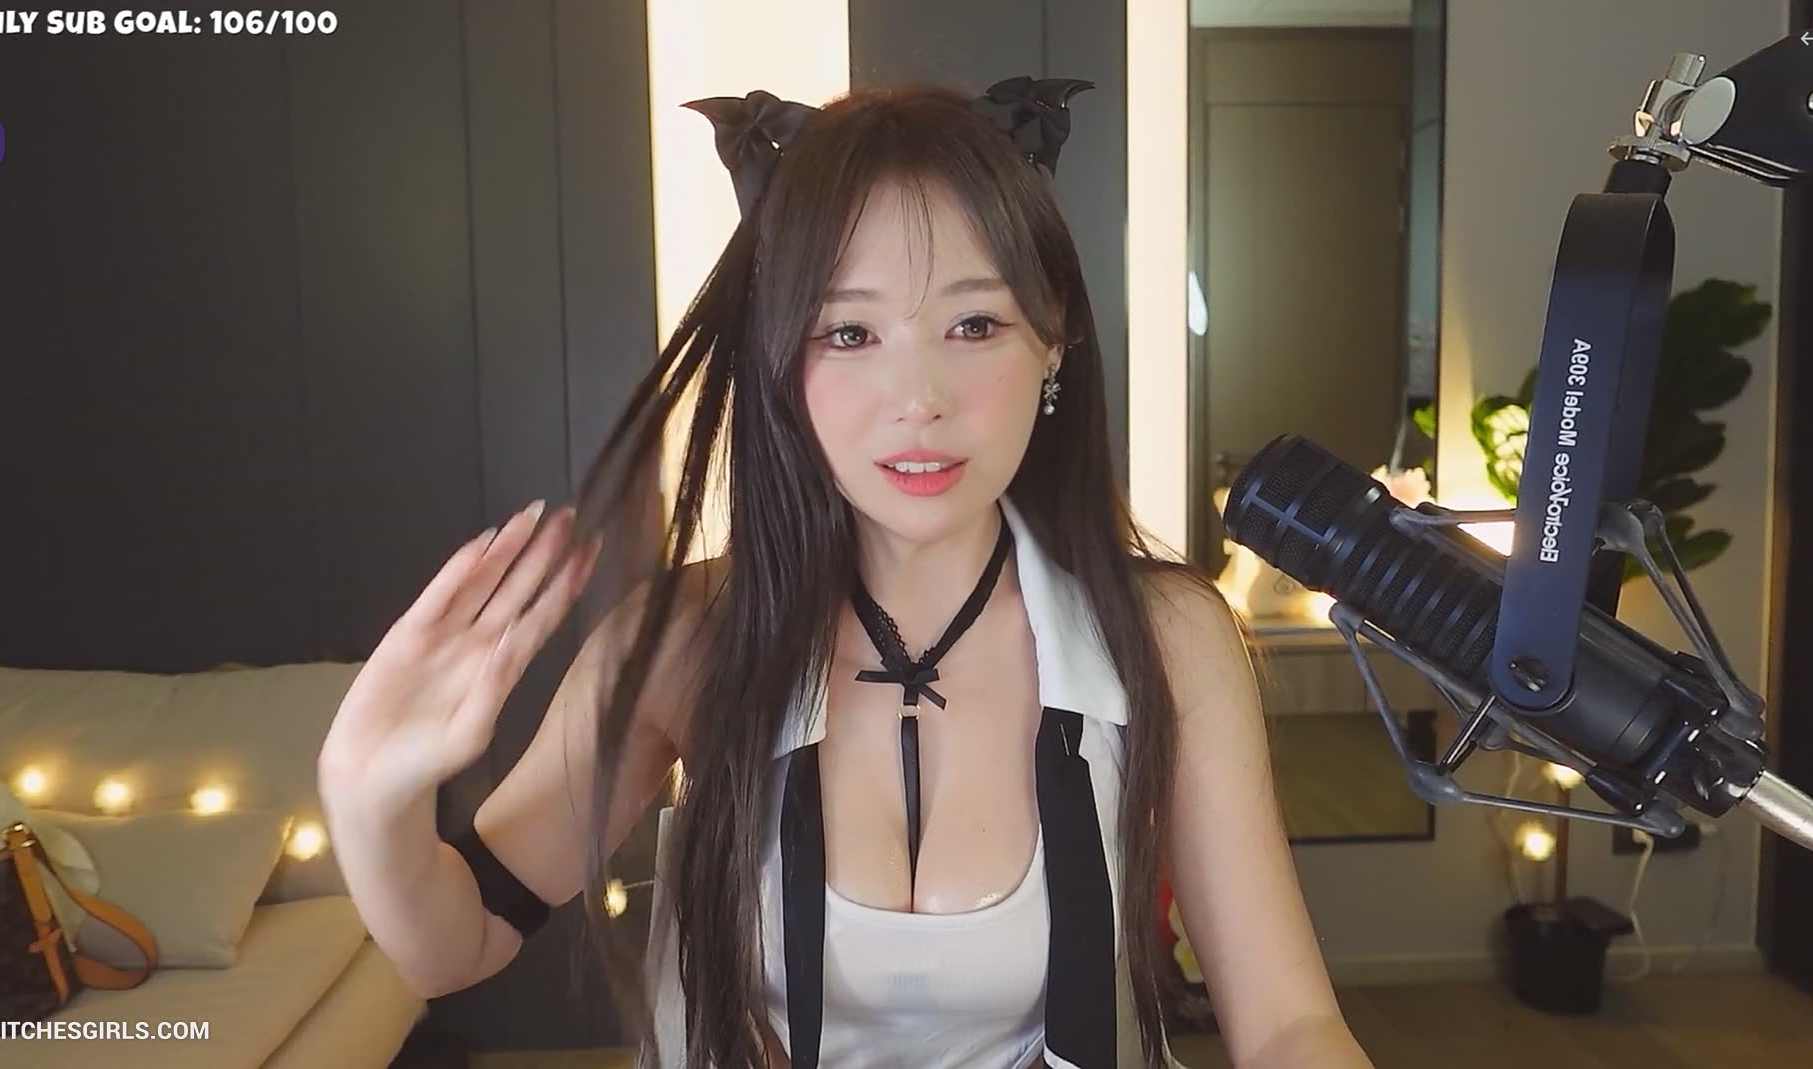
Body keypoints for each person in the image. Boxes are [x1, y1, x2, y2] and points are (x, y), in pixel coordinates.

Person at [316, 76, 1373, 1069]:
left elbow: (1288, 1022)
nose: (918, 397)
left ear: (1054, 336)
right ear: (781, 357)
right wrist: (368, 800)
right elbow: (457, 940)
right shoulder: (686, 639)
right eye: (850, 331)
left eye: (973, 323)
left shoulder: (1168, 638)